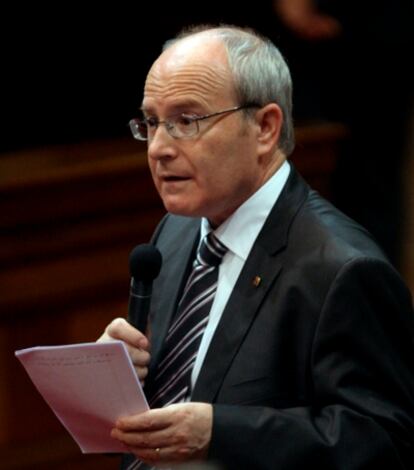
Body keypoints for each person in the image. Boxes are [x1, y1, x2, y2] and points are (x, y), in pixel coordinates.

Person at [98, 25, 414, 469]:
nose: (160, 149)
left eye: (187, 122)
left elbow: (383, 440)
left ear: (265, 127)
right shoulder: (175, 231)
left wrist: (221, 433)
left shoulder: (345, 269)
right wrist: (115, 375)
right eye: (151, 123)